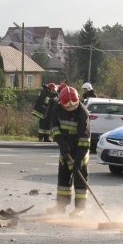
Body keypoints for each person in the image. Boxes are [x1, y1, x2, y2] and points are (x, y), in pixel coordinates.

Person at [47, 86, 91, 217]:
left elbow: (85, 139)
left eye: (74, 107)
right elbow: (54, 127)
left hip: (80, 151)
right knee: (63, 179)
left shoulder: (83, 113)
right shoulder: (57, 107)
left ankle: (80, 209)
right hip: (65, 148)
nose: (71, 110)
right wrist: (61, 143)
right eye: (68, 107)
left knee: (80, 180)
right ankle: (61, 206)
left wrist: (78, 160)